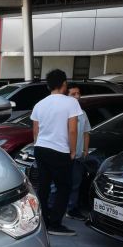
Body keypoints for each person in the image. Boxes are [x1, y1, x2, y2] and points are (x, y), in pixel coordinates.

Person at [31, 69, 80, 236]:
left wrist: (38, 145)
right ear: (64, 83)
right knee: (64, 187)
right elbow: (73, 130)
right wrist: (73, 150)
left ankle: (43, 220)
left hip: (40, 148)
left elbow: (36, 131)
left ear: (48, 85)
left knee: (43, 186)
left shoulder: (39, 104)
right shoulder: (71, 103)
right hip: (59, 150)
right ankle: (56, 224)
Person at [65, 84, 91, 221]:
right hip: (64, 155)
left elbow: (86, 132)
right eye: (73, 94)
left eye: (78, 93)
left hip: (78, 156)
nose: (77, 96)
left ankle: (71, 208)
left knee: (75, 183)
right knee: (59, 184)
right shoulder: (63, 112)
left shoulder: (82, 113)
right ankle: (52, 210)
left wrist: (85, 150)